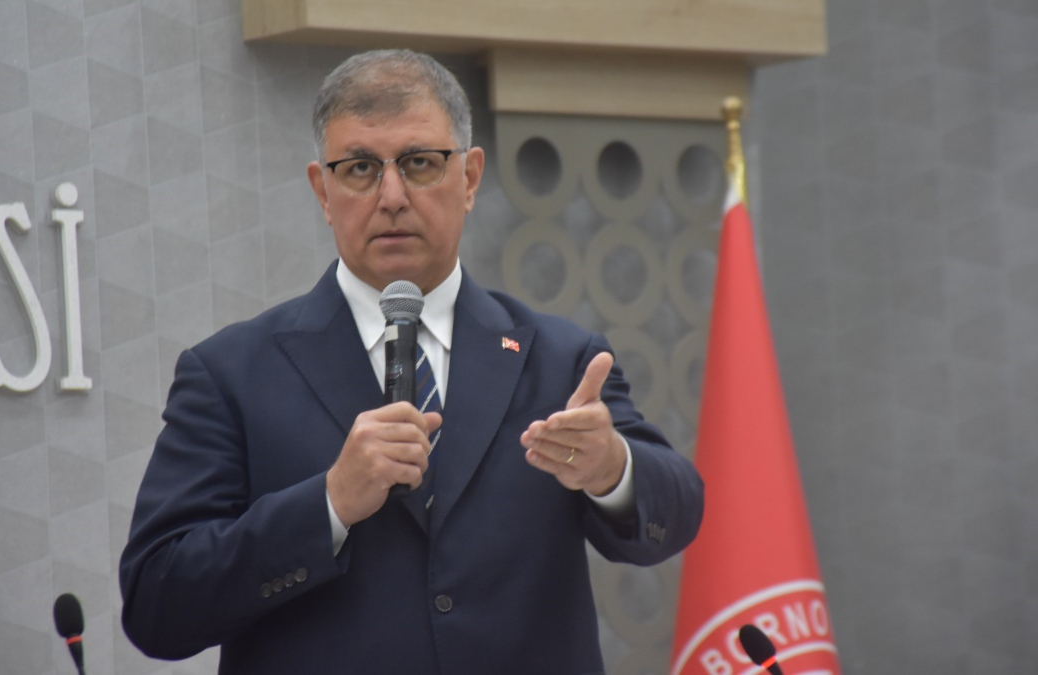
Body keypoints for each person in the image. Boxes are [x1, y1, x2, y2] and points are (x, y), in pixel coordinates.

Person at [119, 49, 704, 674]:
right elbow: (157, 603)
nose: (391, 196)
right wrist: (329, 504)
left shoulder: (561, 360)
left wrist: (612, 468)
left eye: (420, 163)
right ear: (322, 190)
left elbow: (678, 511)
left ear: (470, 178)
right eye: (360, 168)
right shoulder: (231, 374)